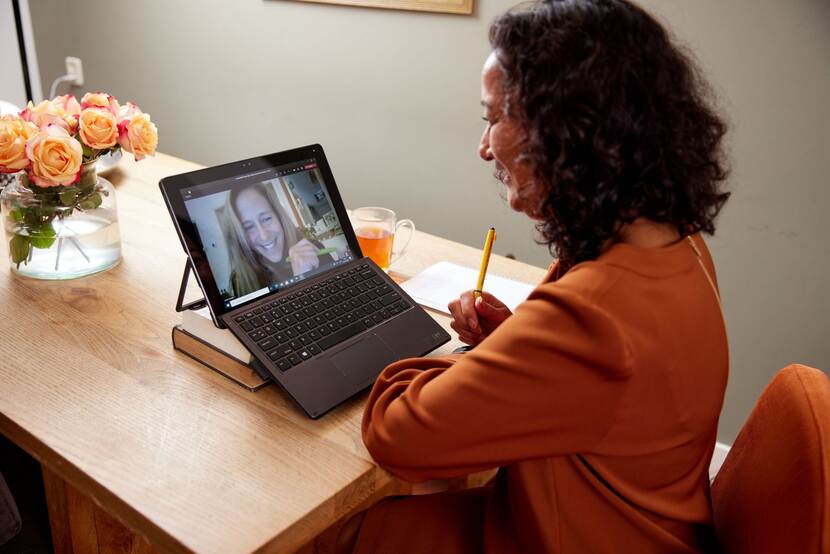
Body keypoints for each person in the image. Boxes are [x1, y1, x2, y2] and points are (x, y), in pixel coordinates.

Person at [344, 0, 732, 552]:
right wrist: (516, 348)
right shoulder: (678, 240)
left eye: (494, 119)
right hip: (629, 524)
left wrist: (444, 361)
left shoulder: (595, 313)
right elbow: (610, 392)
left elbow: (396, 435)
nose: (483, 148)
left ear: (570, 127)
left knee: (339, 530)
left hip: (567, 538)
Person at [224, 181, 333, 297]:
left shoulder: (312, 250)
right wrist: (300, 280)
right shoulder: (241, 280)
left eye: (266, 219)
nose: (264, 236)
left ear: (279, 216)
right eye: (248, 227)